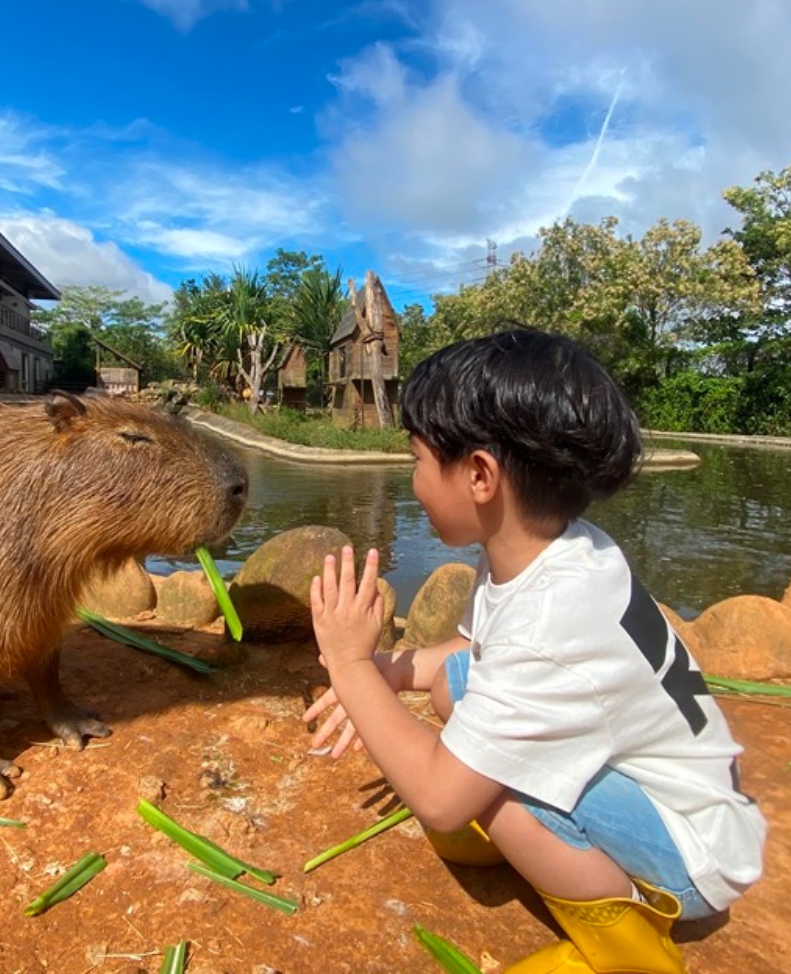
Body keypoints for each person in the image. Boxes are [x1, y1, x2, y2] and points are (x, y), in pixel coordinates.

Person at [305, 329, 766, 974]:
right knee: (462, 681)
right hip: (674, 797)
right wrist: (379, 675)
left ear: (480, 475)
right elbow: (466, 652)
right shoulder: (557, 550)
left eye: (416, 459)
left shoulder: (551, 620)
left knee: (491, 787)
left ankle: (625, 952)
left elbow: (439, 798)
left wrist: (351, 665)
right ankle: (547, 849)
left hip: (691, 853)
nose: (411, 481)